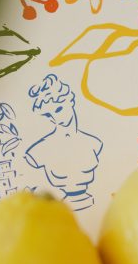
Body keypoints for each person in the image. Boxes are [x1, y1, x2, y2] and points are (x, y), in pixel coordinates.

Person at [24, 73, 102, 211]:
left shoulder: (93, 143)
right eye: (49, 115)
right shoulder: (39, 151)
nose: (56, 119)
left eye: (59, 109)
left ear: (70, 101)